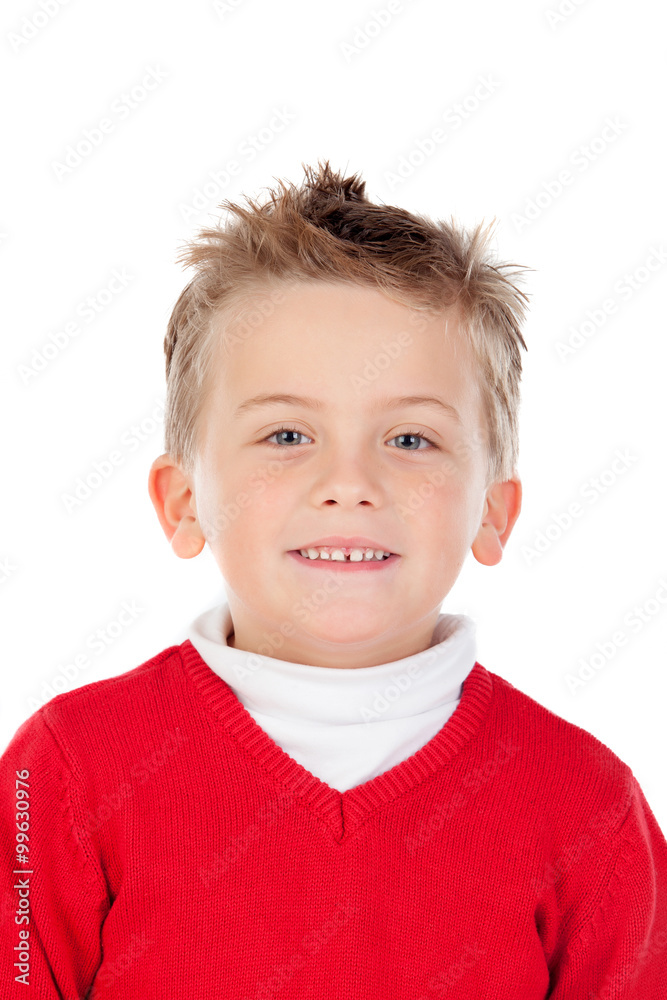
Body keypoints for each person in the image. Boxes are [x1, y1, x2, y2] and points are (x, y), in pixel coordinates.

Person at [1, 161, 665, 998]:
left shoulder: (587, 804)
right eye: (286, 435)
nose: (348, 483)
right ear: (183, 502)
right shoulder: (64, 772)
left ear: (492, 513)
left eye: (411, 439)